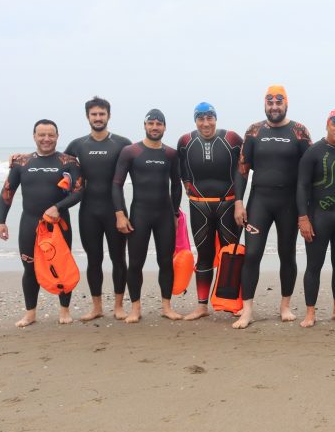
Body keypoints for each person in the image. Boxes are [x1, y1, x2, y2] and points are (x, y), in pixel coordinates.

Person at [232, 86, 312, 329]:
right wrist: (238, 202)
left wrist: (305, 211)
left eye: (279, 102)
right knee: (253, 254)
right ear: (265, 105)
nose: (274, 106)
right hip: (260, 202)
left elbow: (309, 171)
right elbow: (242, 168)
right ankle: (247, 311)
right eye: (270, 102)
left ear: (286, 104)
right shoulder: (254, 131)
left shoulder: (299, 131)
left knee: (286, 255)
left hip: (288, 203)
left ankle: (285, 306)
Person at [0, 120, 84, 327]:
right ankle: (30, 313)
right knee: (30, 268)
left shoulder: (69, 161)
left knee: (61, 266)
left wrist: (59, 207)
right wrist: (1, 221)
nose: (46, 139)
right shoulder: (21, 163)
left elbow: (80, 190)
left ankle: (64, 311)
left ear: (57, 136)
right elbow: (7, 192)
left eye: (51, 135)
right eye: (42, 135)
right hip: (30, 223)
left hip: (58, 224)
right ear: (34, 136)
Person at [57, 98, 131, 321]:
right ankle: (97, 306)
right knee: (94, 259)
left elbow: (142, 166)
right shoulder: (77, 145)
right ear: (87, 117)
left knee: (119, 258)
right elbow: (55, 164)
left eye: (102, 114)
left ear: (109, 115)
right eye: (94, 114)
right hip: (89, 210)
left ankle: (118, 306)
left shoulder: (122, 143)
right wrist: (21, 158)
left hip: (115, 210)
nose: (98, 118)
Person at [113, 109, 183, 323]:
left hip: (164, 215)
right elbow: (116, 184)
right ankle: (135, 308)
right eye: (151, 123)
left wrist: (175, 213)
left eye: (158, 124)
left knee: (166, 262)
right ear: (144, 126)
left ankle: (166, 306)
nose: (154, 127)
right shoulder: (131, 151)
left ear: (164, 127)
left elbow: (176, 185)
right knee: (135, 263)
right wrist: (120, 215)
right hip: (139, 214)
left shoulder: (170, 153)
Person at [176, 102, 243, 320]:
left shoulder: (232, 139)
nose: (206, 123)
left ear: (216, 118)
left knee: (230, 255)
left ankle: (233, 303)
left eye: (210, 118)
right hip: (199, 206)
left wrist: (240, 202)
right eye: (201, 119)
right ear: (195, 120)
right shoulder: (185, 141)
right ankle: (202, 306)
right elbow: (182, 170)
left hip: (228, 205)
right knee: (204, 256)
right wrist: (187, 187)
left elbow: (244, 171)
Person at [297, 109, 335, 327]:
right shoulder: (313, 152)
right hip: (318, 217)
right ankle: (310, 313)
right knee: (314, 266)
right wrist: (303, 218)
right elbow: (302, 186)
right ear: (327, 125)